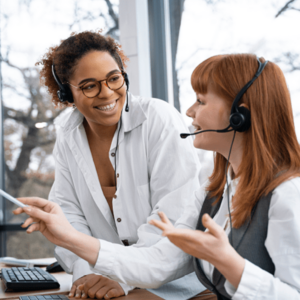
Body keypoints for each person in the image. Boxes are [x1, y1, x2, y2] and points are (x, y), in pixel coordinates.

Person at [15, 53, 300, 299]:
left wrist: (230, 264)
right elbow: (159, 262)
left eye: (200, 101)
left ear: (240, 115)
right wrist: (68, 237)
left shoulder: (288, 194)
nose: (189, 111)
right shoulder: (213, 193)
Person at [31, 30, 200, 299]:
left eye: (113, 78)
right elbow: (69, 214)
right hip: (109, 282)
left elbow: (173, 223)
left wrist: (120, 277)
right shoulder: (67, 134)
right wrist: (86, 273)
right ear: (66, 93)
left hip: (174, 285)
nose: (107, 93)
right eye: (89, 85)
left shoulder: (158, 119)